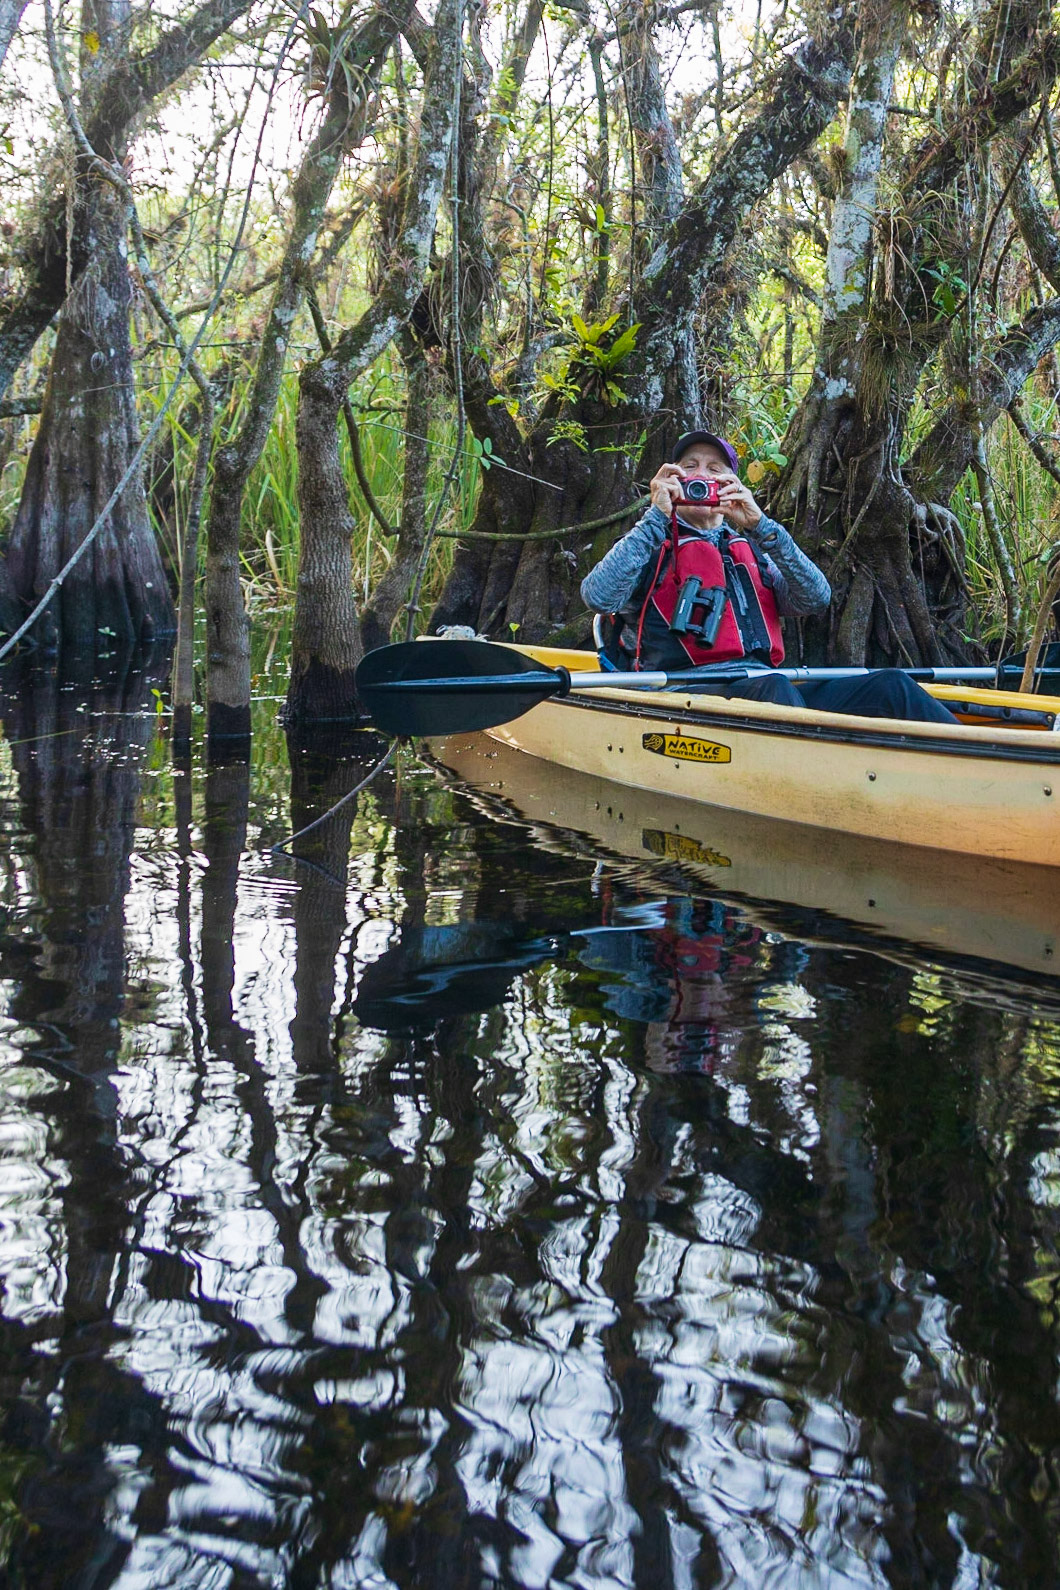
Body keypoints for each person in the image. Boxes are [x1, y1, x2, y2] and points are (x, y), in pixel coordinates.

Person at [581, 430, 959, 724]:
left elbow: (815, 597)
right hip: (682, 691)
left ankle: (974, 760)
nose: (701, 476)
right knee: (775, 687)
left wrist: (762, 527)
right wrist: (656, 517)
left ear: (732, 483)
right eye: (690, 467)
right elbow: (598, 596)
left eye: (714, 470)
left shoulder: (753, 550)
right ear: (670, 479)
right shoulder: (649, 542)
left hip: (763, 686)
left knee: (891, 685)